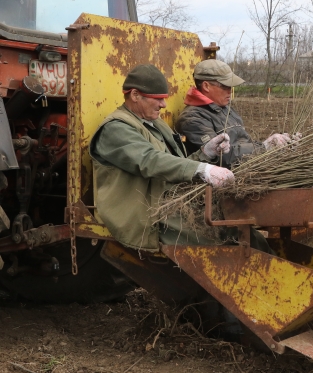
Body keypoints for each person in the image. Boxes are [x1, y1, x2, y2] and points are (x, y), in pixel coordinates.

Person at [90, 64, 235, 252]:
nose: (164, 105)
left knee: (236, 230)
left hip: (171, 202)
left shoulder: (156, 123)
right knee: (217, 245)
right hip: (147, 214)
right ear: (134, 95)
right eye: (158, 99)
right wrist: (202, 169)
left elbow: (173, 165)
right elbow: (150, 160)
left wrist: (205, 153)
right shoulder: (115, 129)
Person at [175, 59, 296, 167]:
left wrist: (276, 144)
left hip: (248, 167)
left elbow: (244, 143)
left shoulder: (226, 109)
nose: (230, 91)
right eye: (225, 86)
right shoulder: (192, 119)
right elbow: (221, 157)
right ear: (206, 86)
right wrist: (264, 147)